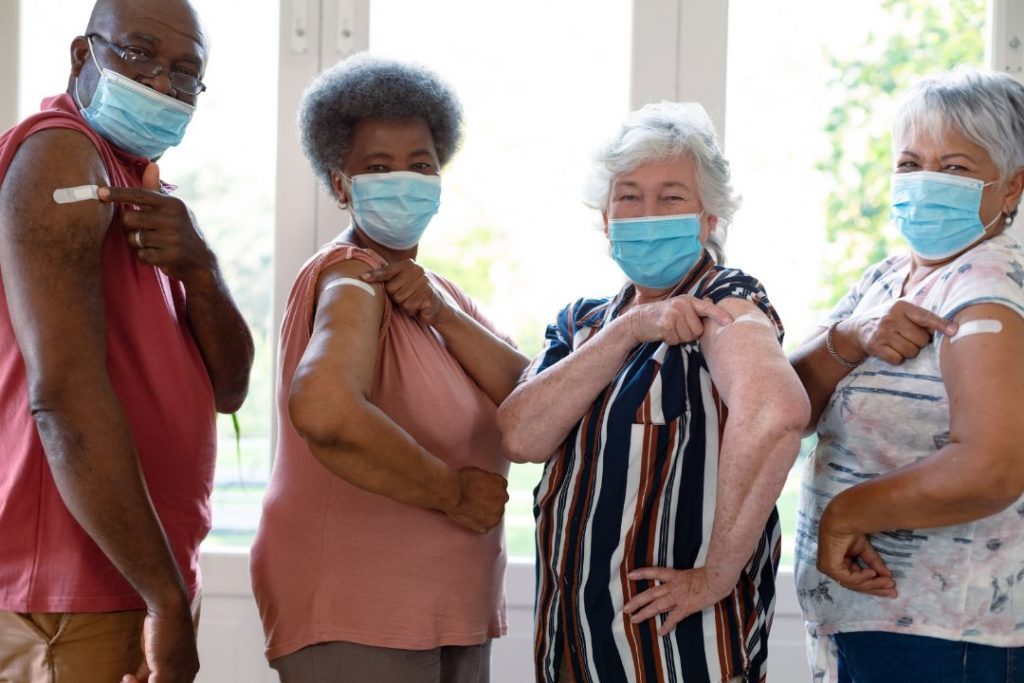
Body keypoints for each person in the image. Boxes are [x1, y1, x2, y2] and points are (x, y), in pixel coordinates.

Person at [497, 101, 810, 683]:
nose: (646, 212)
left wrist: (716, 574)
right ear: (605, 216)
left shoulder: (726, 300)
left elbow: (775, 412)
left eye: (671, 197)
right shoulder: (583, 323)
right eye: (629, 195)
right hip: (572, 642)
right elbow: (520, 435)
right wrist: (633, 327)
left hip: (676, 650)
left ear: (708, 218)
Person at [250, 53, 528, 683]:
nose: (403, 180)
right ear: (341, 183)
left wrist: (440, 313)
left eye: (421, 164)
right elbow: (325, 409)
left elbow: (532, 399)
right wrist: (450, 492)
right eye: (378, 167)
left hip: (444, 607)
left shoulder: (442, 295)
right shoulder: (352, 278)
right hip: (360, 605)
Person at [0, 0, 254, 682]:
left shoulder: (147, 189)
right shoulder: (61, 152)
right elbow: (63, 400)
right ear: (83, 57)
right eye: (139, 54)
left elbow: (231, 388)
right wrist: (166, 601)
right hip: (68, 599)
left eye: (185, 72)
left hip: (137, 583)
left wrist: (201, 268)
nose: (162, 84)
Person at [791, 69, 1024, 683]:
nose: (925, 183)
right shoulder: (884, 278)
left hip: (948, 638)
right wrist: (847, 338)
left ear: (1011, 188)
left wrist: (849, 513)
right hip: (872, 624)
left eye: (953, 168)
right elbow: (790, 406)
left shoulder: (989, 294)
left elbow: (992, 467)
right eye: (909, 163)